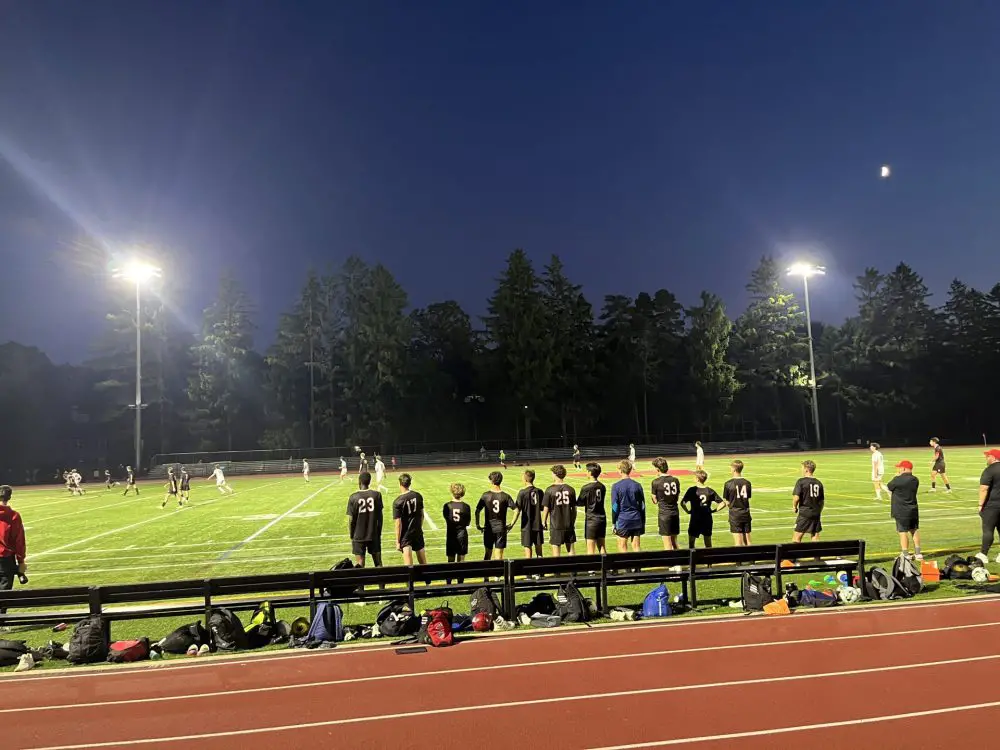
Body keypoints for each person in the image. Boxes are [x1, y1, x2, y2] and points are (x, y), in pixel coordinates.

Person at [0, 485, 27, 626]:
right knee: (4, 588)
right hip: (5, 557)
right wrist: (21, 560)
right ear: (9, 497)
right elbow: (19, 540)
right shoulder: (13, 516)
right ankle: (1, 618)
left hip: (4, 556)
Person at [475, 471, 517, 560]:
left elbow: (477, 511)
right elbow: (516, 510)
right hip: (500, 527)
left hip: (489, 526)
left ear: (491, 481)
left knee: (487, 553)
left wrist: (478, 525)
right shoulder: (505, 496)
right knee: (499, 554)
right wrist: (512, 524)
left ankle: (486, 573)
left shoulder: (485, 495)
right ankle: (498, 573)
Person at [346, 471, 383, 568]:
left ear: (359, 481)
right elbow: (380, 517)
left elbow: (351, 520)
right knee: (378, 563)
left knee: (360, 565)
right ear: (369, 482)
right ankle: (382, 583)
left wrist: (351, 535)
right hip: (373, 534)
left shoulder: (353, 497)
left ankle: (361, 584)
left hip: (358, 535)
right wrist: (378, 532)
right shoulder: (377, 495)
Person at [887, 460, 922, 559]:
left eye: (899, 467)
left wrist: (896, 476)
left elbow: (889, 486)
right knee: (914, 530)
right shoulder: (915, 479)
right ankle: (918, 553)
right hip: (913, 509)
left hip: (901, 509)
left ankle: (906, 554)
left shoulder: (898, 479)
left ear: (903, 468)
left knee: (902, 532)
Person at [681, 470, 723, 549]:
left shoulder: (692, 490)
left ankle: (692, 560)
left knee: (691, 542)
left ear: (697, 479)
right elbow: (722, 503)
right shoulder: (710, 490)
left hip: (695, 518)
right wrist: (713, 510)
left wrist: (687, 511)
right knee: (708, 542)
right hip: (707, 518)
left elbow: (682, 503)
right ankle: (709, 560)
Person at [542, 465, 577, 556]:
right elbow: (574, 509)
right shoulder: (571, 489)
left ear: (555, 474)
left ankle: (557, 570)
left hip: (556, 525)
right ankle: (574, 569)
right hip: (568, 523)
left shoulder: (549, 490)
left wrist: (543, 521)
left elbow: (546, 508)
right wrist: (572, 521)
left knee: (556, 552)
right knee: (571, 549)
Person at [393, 473, 427, 566]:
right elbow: (422, 515)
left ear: (400, 484)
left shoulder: (398, 501)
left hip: (405, 535)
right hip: (417, 531)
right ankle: (427, 579)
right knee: (424, 564)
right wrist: (418, 528)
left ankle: (411, 580)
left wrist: (397, 541)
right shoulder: (418, 496)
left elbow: (398, 523)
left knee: (409, 567)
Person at [611, 460, 645, 552]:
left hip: (623, 520)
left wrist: (614, 522)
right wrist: (643, 521)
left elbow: (615, 507)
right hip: (636, 519)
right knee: (636, 546)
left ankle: (627, 566)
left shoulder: (616, 486)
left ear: (621, 471)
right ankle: (637, 566)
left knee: (622, 546)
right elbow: (642, 505)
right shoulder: (637, 485)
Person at [650, 457, 681, 550]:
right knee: (674, 542)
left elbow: (655, 501)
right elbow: (677, 496)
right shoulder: (675, 480)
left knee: (667, 543)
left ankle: (671, 563)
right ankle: (679, 562)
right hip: (675, 512)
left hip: (664, 514)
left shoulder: (656, 482)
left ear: (657, 469)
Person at [975, 449, 1000, 565]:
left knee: (988, 530)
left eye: (988, 456)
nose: (986, 458)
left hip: (992, 505)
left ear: (994, 458)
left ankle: (983, 554)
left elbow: (983, 488)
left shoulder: (989, 470)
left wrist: (980, 505)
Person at [578, 462, 607, 554]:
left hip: (591, 519)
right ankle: (607, 567)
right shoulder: (602, 486)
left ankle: (592, 568)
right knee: (602, 546)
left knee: (590, 548)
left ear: (590, 473)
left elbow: (579, 502)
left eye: (587, 471)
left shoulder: (586, 488)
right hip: (602, 518)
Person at [792, 460, 825, 542]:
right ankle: (817, 555)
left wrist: (794, 507)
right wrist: (818, 511)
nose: (801, 470)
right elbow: (822, 501)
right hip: (816, 513)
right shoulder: (819, 483)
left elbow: (796, 497)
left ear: (806, 469)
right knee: (814, 536)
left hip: (805, 513)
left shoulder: (801, 482)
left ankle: (797, 554)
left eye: (802, 468)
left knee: (796, 538)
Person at [723, 460, 753, 546]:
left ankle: (739, 559)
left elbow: (727, 502)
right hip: (746, 513)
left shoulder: (728, 484)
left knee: (738, 542)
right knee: (748, 540)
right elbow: (747, 497)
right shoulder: (747, 483)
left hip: (735, 514)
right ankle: (751, 558)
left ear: (734, 469)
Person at [516, 470, 545, 558]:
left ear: (525, 479)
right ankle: (540, 570)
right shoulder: (540, 491)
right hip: (537, 524)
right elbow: (542, 508)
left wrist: (512, 523)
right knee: (539, 549)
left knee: (528, 549)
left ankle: (530, 571)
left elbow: (517, 508)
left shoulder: (522, 492)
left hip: (526, 526)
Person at [443, 482, 472, 564]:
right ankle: (460, 577)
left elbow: (447, 519)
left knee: (450, 561)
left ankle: (449, 577)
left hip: (451, 534)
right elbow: (467, 523)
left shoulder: (447, 506)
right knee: (461, 562)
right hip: (462, 535)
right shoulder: (466, 506)